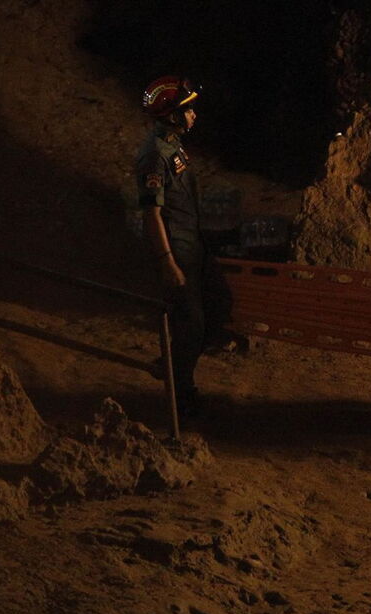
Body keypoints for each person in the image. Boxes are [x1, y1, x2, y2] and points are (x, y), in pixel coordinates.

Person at [135, 75, 223, 418]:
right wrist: (167, 262)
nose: (193, 115)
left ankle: (174, 369)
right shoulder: (154, 156)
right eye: (187, 110)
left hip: (191, 244)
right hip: (177, 248)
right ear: (171, 115)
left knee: (213, 315)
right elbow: (152, 213)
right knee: (191, 325)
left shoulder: (173, 145)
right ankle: (180, 396)